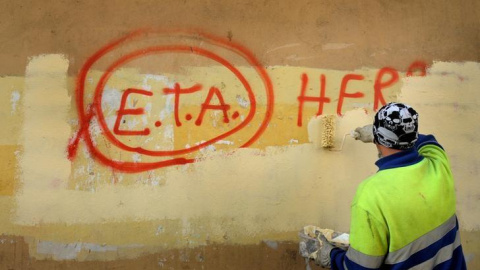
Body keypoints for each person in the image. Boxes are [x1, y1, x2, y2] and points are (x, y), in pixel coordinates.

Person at [318, 102, 467, 269]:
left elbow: (359, 267)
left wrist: (330, 256)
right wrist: (384, 133)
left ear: (378, 139)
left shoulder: (371, 194)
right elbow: (427, 140)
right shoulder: (438, 163)